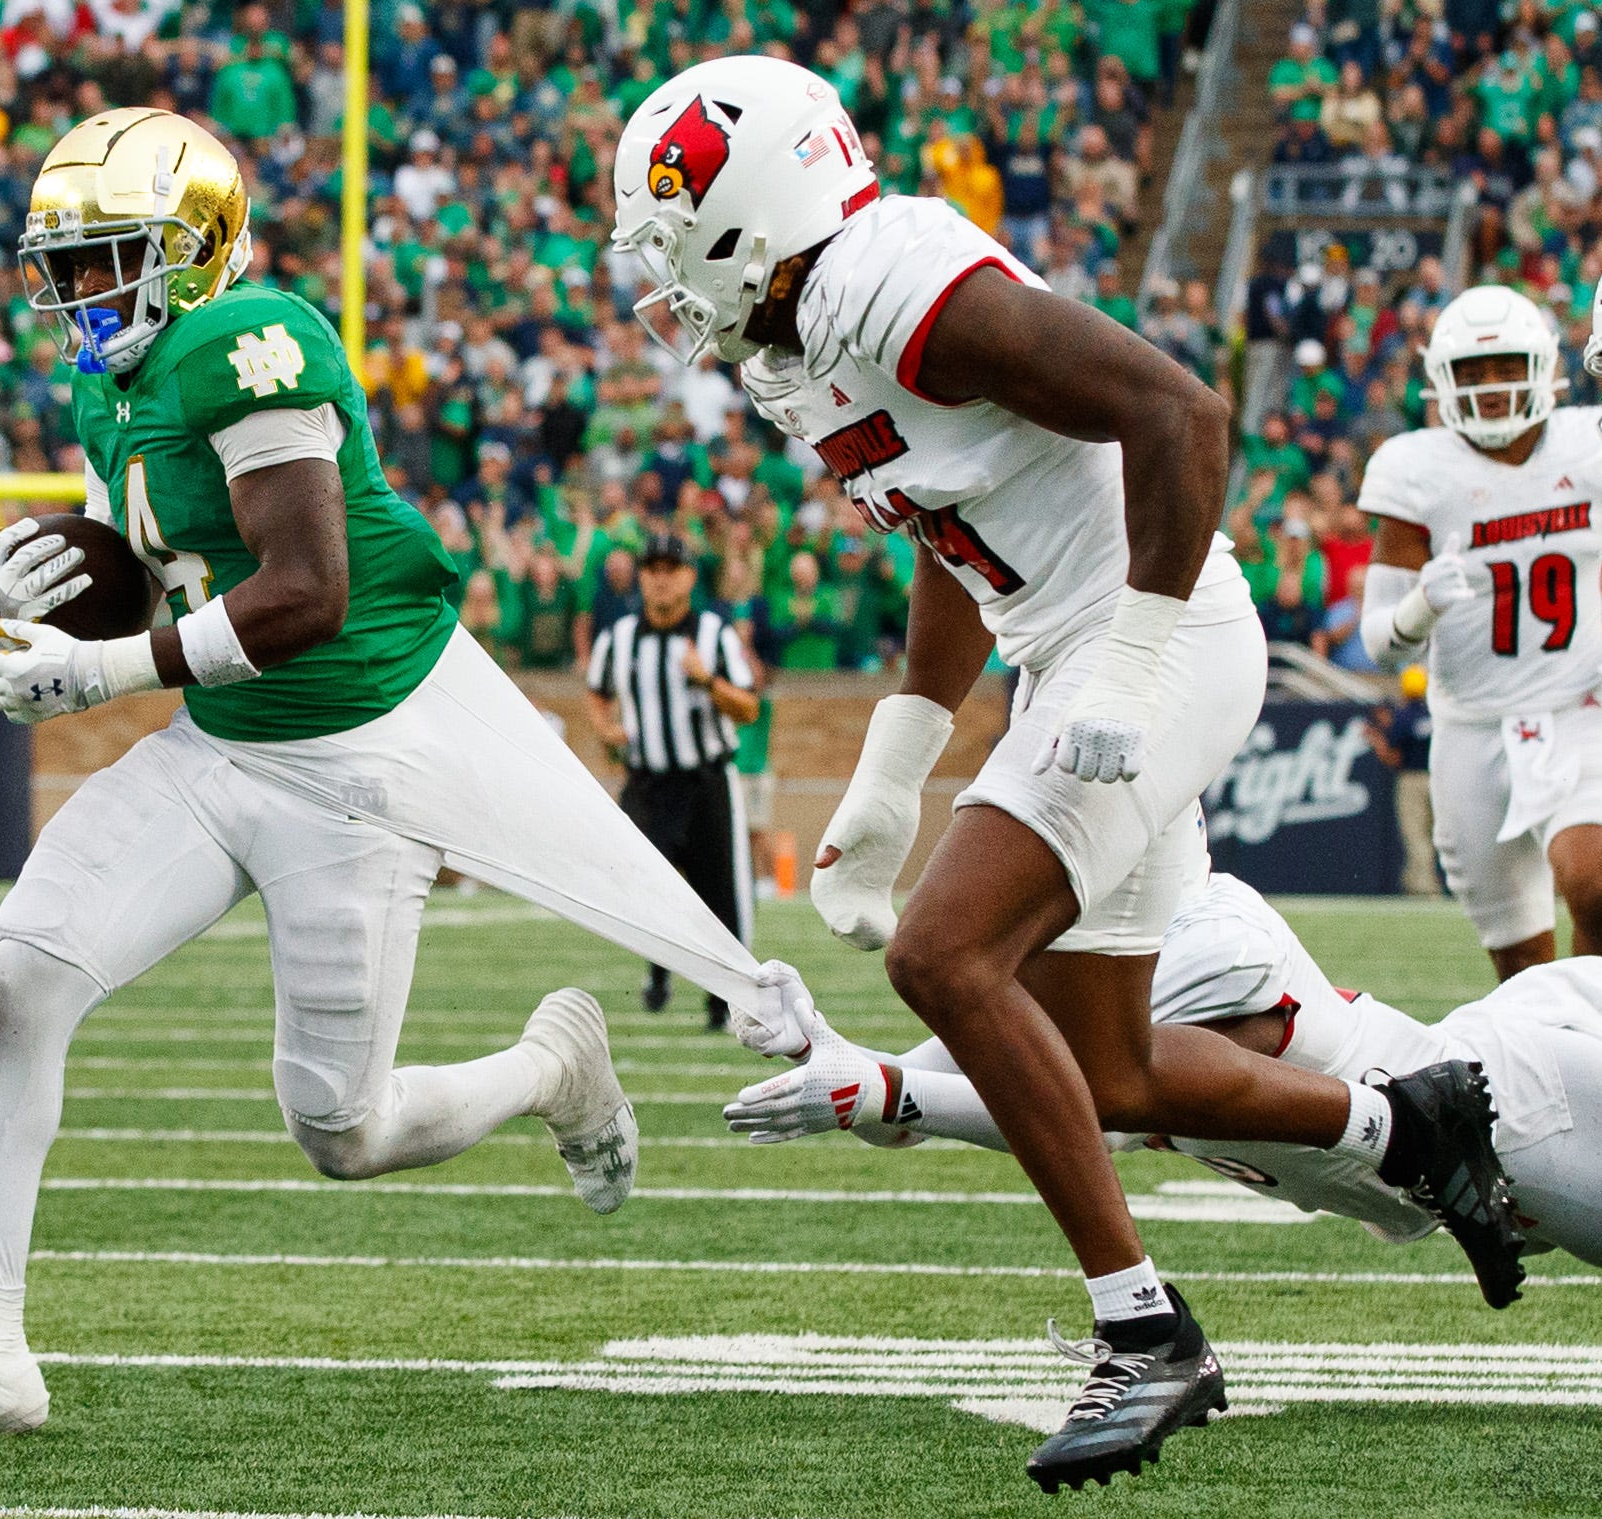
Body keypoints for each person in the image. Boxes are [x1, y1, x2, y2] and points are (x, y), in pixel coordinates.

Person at [610, 56, 1524, 1490]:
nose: (662, 276)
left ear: (756, 205)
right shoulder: (799, 339)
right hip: (1070, 650)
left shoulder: (882, 279)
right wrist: (895, 760)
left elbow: (1179, 414)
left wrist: (1132, 652)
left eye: (672, 236)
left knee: (942, 953)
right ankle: (1411, 1116)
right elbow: (947, 526)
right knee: (1107, 1064)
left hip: (1147, 637)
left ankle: (1145, 1332)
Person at [0, 107, 818, 1442]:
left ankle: (551, 1065)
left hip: (354, 761)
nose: (82, 290)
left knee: (340, 1130)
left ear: (196, 252)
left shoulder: (259, 343)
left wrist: (106, 673)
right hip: (219, 752)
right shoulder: (111, 378)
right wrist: (17, 596)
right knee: (15, 982)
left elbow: (303, 589)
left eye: (111, 256)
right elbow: (150, 554)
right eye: (66, 263)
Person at [733, 871, 1602, 1273]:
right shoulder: (1061, 964)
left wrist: (874, 1088)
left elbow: (1076, 1106)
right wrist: (823, 1048)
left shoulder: (1211, 939)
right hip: (1489, 1147)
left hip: (1522, 1108)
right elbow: (904, 1115)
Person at [1357, 286, 1602, 980]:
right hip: (1469, 727)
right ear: (1441, 378)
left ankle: (1588, 1036)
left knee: (1593, 883)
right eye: (1471, 371)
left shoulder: (1587, 445)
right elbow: (1381, 641)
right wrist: (1418, 610)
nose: (1491, 386)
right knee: (1519, 966)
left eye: (1505, 366)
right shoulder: (1417, 470)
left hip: (1575, 708)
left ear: (1544, 364)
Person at [586, 531, 762, 1030]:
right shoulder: (617, 638)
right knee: (643, 887)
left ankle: (724, 1003)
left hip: (706, 782)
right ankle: (659, 972)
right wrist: (605, 729)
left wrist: (707, 680)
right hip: (647, 782)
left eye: (671, 570)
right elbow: (596, 693)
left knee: (720, 893)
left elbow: (748, 707)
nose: (660, 580)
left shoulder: (714, 633)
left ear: (689, 577)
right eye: (651, 570)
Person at [1368, 665, 1440, 896]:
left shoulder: (1405, 715)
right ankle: (1417, 881)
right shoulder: (1437, 713)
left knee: (1416, 834)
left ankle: (1424, 886)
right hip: (1438, 779)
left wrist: (1376, 739)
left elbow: (1393, 756)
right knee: (1434, 834)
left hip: (1412, 779)